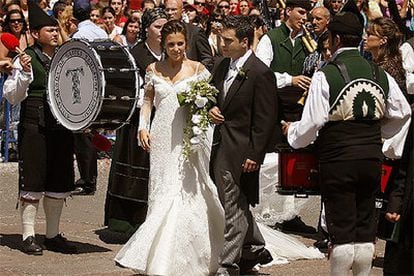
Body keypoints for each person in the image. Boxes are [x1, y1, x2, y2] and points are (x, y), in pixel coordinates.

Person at [284, 1, 411, 275]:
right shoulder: (381, 74)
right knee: (365, 228)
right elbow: (402, 112)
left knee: (341, 228)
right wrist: (381, 140)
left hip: (338, 159)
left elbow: (314, 121)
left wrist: (292, 134)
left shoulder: (325, 74)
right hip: (370, 159)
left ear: (336, 38)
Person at [114, 20, 225, 275]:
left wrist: (209, 111)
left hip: (188, 136)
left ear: (186, 43)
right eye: (171, 45)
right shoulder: (153, 69)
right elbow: (147, 100)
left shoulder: (198, 69)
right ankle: (157, 253)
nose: (176, 49)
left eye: (180, 44)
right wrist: (143, 127)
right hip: (162, 134)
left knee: (187, 187)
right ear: (163, 45)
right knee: (162, 186)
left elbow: (209, 100)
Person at [3, 1, 77, 255]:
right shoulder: (26, 59)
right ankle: (27, 235)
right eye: (49, 30)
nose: (55, 33)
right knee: (33, 180)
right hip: (34, 125)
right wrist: (23, 74)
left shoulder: (65, 57)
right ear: (35, 34)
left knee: (59, 179)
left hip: (62, 125)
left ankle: (53, 235)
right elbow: (12, 96)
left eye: (56, 29)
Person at [209, 15, 280, 275]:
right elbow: (210, 94)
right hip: (220, 146)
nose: (222, 44)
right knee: (231, 201)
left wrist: (255, 154)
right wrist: (211, 108)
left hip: (242, 150)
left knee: (234, 205)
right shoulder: (221, 66)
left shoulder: (261, 73)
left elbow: (265, 119)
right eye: (221, 39)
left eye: (228, 41)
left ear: (244, 42)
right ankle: (255, 246)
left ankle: (228, 265)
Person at [104, 8, 168, 234]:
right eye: (157, 27)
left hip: (165, 119)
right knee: (135, 170)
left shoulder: (172, 53)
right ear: (146, 29)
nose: (162, 31)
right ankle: (128, 221)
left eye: (165, 26)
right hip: (137, 120)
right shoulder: (135, 54)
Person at [256, 0, 317, 235]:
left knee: (296, 159)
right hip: (274, 104)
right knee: (272, 159)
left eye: (307, 13)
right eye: (301, 12)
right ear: (288, 11)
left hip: (299, 106)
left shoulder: (308, 40)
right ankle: (269, 212)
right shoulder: (270, 38)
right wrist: (289, 79)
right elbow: (261, 72)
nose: (304, 17)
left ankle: (291, 214)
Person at [363, 17, 413, 276]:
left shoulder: (387, 70)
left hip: (390, 141)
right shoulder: (376, 64)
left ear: (382, 41)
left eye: (370, 33)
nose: (365, 37)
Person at [71, 0, 108, 196]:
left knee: (83, 135)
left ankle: (87, 179)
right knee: (88, 134)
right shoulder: (100, 32)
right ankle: (88, 177)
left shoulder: (79, 35)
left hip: (84, 84)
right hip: (97, 84)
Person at [164, 0, 214, 71]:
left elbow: (207, 59)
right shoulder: (161, 31)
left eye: (173, 9)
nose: (169, 13)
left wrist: (194, 74)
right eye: (167, 10)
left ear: (182, 11)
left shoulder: (195, 32)